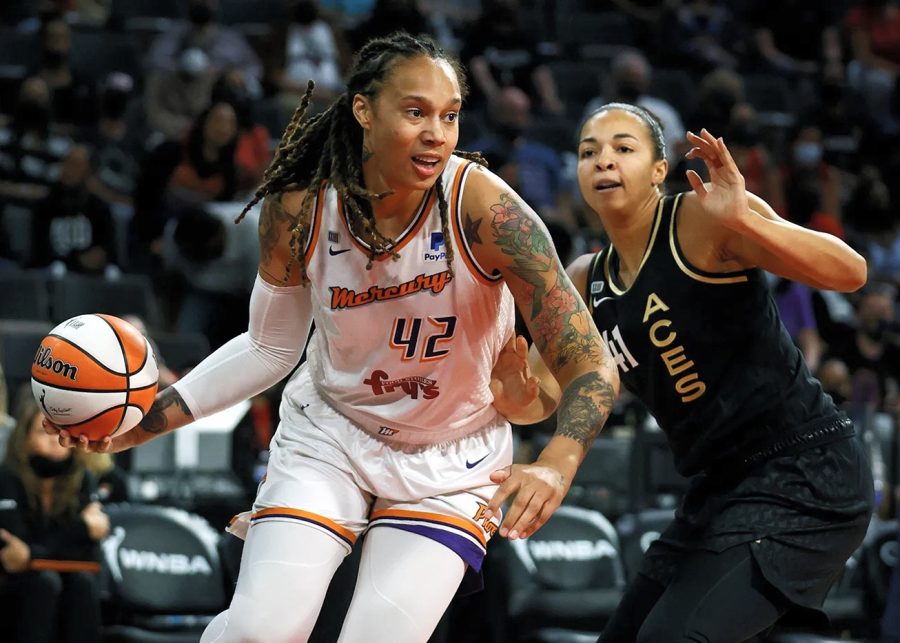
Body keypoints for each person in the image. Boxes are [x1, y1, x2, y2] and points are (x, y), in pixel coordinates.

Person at [49, 32, 619, 643]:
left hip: (453, 458)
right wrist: (146, 421)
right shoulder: (300, 206)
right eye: (415, 111)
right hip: (333, 433)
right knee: (258, 632)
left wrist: (556, 465)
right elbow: (269, 347)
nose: (437, 133)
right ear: (364, 110)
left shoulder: (488, 213)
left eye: (449, 116)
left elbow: (592, 365)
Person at [493, 103, 875, 642]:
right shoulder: (585, 278)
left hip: (805, 472)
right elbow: (541, 398)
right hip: (717, 489)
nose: (603, 161)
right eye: (588, 152)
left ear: (657, 168)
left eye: (623, 148)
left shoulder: (703, 218)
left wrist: (744, 218)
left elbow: (851, 273)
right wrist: (513, 389)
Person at [0, 389, 109, 643]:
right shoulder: (7, 477)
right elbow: (12, 554)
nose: (55, 441)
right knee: (45, 582)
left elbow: (86, 555)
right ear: (23, 438)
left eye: (62, 433)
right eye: (42, 432)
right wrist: (79, 529)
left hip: (66, 581)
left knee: (82, 583)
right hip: (13, 585)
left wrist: (34, 553)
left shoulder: (83, 478)